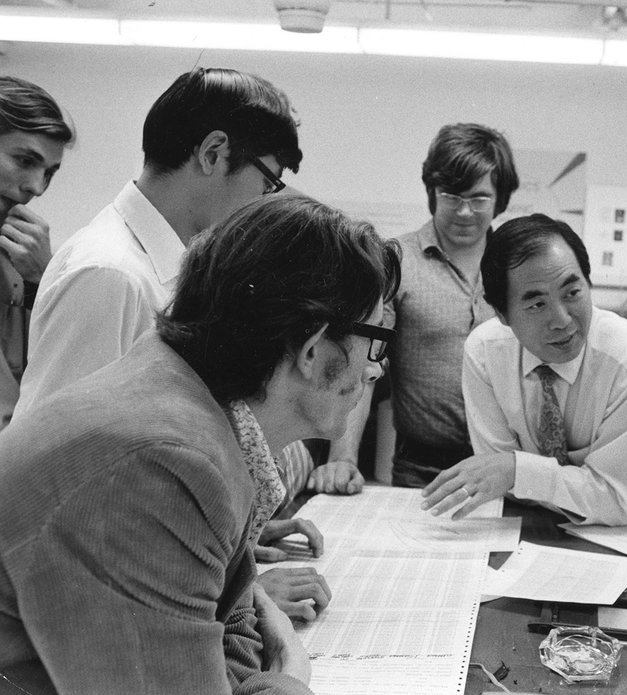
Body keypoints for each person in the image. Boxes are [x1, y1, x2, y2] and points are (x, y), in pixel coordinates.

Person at [0, 194, 401, 692]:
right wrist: (293, 674)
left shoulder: (195, 405)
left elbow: (231, 639)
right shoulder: (164, 464)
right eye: (376, 339)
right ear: (313, 349)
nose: (376, 367)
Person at [12, 67, 329, 619]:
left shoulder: (160, 267)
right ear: (213, 153)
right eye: (268, 181)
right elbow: (59, 493)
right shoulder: (110, 273)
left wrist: (218, 548)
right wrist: (232, 594)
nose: (264, 203)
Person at [421, 213, 627, 526]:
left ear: (588, 282)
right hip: (521, 527)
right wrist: (596, 484)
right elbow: (501, 483)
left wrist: (517, 471)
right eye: (536, 304)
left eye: (572, 293)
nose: (563, 320)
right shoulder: (485, 354)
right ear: (502, 313)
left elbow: (615, 501)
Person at [346, 122, 519, 489]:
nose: (465, 211)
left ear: (500, 198)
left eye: (478, 198)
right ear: (432, 192)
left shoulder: (517, 266)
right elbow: (364, 362)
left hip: (508, 468)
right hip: (422, 470)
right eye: (451, 196)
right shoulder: (397, 260)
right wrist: (343, 459)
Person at [0, 76, 73, 429]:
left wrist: (43, 282)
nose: (37, 187)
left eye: (49, 173)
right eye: (25, 160)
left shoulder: (17, 254)